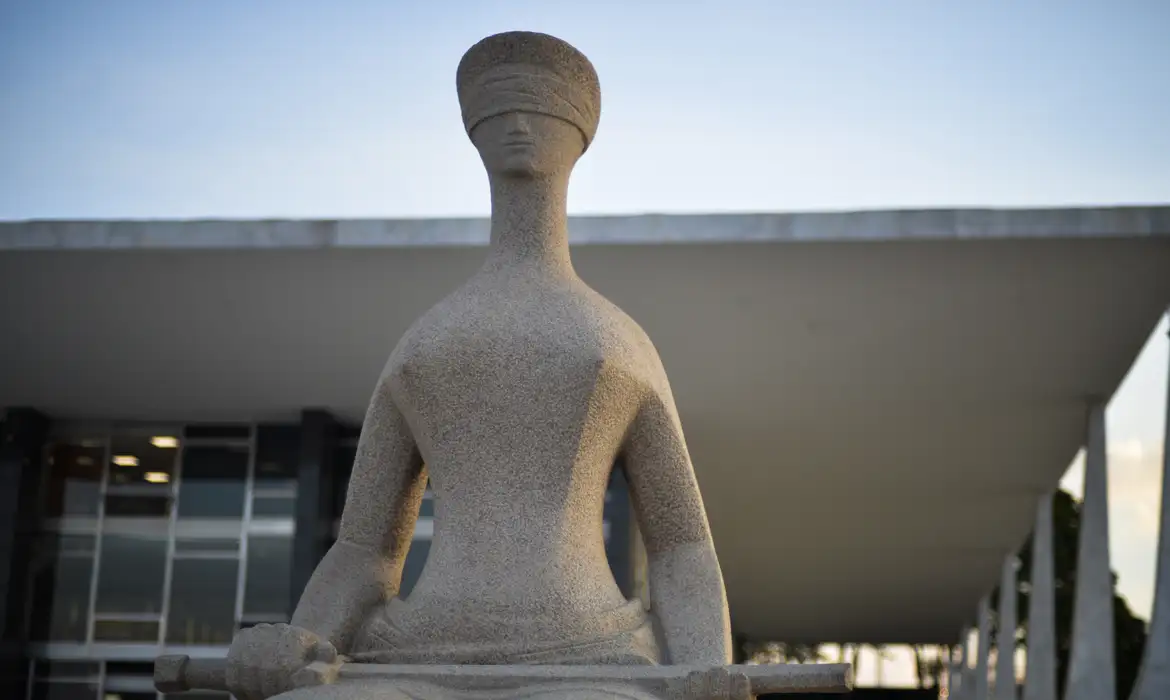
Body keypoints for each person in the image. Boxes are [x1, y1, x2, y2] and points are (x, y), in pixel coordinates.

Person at [226, 31, 731, 700]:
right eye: (501, 108)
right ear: (472, 129)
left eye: (538, 106)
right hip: (412, 652)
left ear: (580, 131)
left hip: (592, 652)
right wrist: (300, 640)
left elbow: (682, 544)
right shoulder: (426, 345)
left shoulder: (615, 343)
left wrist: (706, 663)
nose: (519, 124)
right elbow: (366, 550)